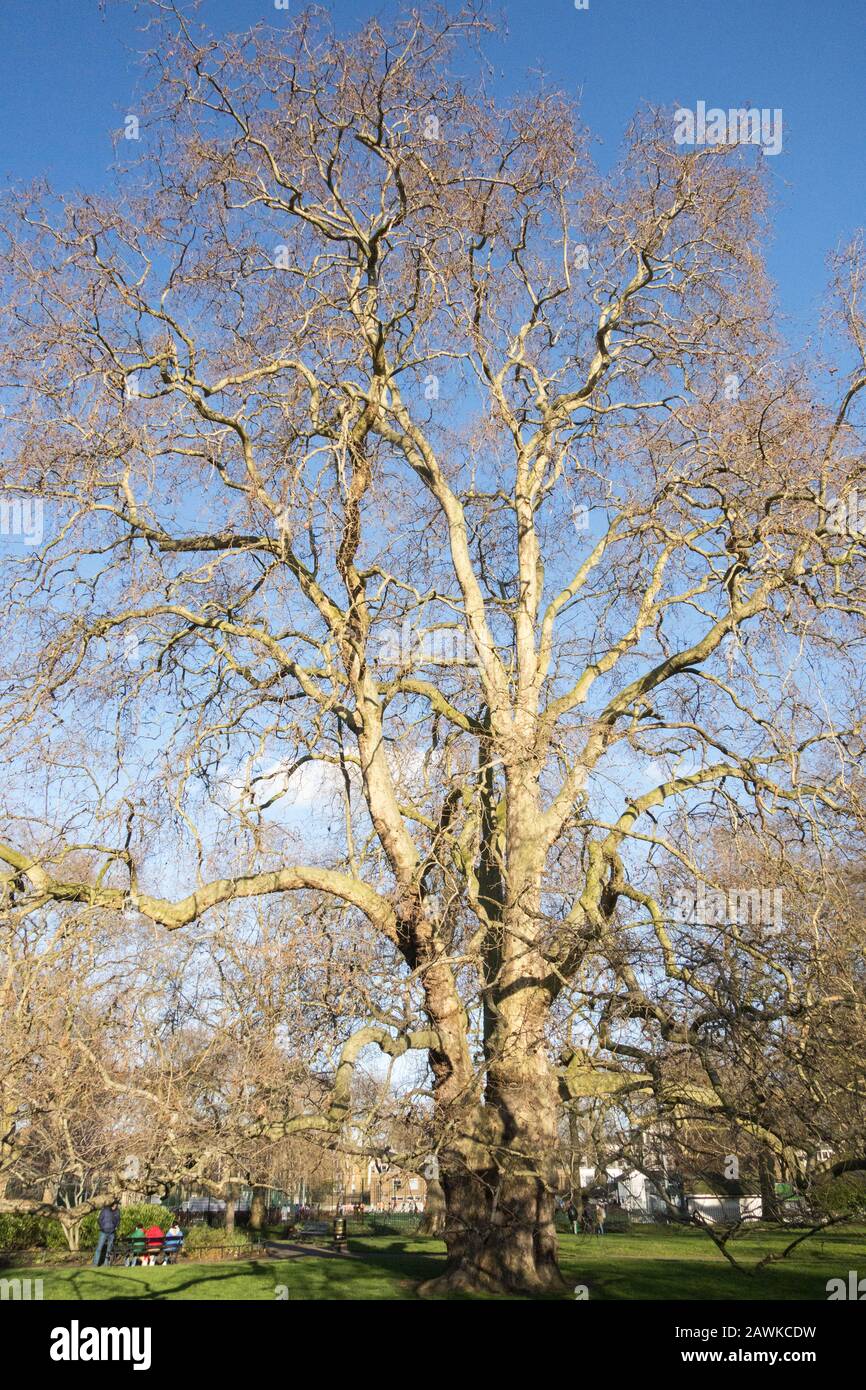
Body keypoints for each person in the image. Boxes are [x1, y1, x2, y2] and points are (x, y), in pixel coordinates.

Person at [92, 1201, 121, 1266]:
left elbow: (118, 1220)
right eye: (115, 1204)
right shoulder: (105, 1210)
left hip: (112, 1232)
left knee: (109, 1249)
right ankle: (95, 1263)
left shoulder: (118, 1211)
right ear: (112, 1204)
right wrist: (102, 1227)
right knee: (99, 1248)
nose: (116, 1205)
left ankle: (106, 1263)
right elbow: (99, 1220)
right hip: (103, 1232)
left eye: (117, 1204)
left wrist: (116, 1226)